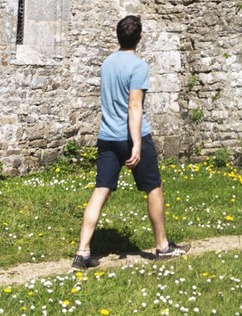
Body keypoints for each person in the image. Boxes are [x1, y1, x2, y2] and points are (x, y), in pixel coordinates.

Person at [73, 14, 188, 269]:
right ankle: (162, 247)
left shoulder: (107, 64)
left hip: (106, 137)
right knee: (153, 188)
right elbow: (134, 107)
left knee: (101, 189)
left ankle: (82, 252)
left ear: (118, 36)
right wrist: (136, 144)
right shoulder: (138, 66)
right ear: (139, 37)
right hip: (131, 136)